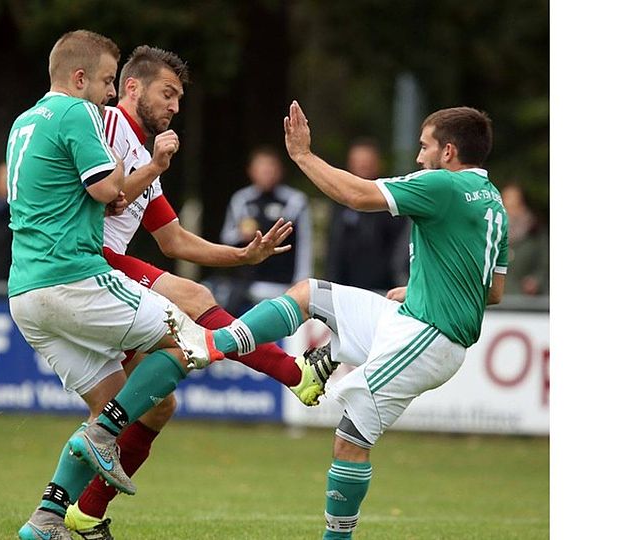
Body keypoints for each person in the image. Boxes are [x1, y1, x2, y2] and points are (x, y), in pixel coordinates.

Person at [180, 102, 507, 539]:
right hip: (413, 318)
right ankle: (223, 344)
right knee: (309, 293)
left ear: (448, 152)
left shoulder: (442, 185)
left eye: (424, 146)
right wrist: (422, 287)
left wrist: (303, 157)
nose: (418, 157)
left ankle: (337, 537)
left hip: (429, 338)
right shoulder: (494, 202)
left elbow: (358, 195)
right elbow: (493, 291)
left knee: (350, 439)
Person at [64, 46, 333, 540]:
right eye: (167, 94)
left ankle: (80, 516)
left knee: (154, 406)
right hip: (82, 264)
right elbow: (93, 201)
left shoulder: (143, 153)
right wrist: (154, 167)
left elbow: (173, 239)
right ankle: (294, 372)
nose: (174, 107)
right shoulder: (103, 126)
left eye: (179, 99)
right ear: (131, 87)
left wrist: (243, 256)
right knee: (189, 296)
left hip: (102, 272)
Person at [7, 31, 222, 540]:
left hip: (25, 292)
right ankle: (100, 437)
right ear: (79, 78)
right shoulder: (77, 113)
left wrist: (122, 188)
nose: (109, 92)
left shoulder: (23, 122)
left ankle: (46, 521)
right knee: (187, 340)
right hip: (73, 276)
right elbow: (107, 191)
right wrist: (153, 166)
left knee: (121, 404)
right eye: (106, 80)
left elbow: (99, 197)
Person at [220, 146, 313, 306]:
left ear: (280, 171)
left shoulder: (295, 201)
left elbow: (305, 243)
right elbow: (226, 238)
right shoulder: (242, 199)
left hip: (284, 286)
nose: (267, 173)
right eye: (262, 169)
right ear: (251, 171)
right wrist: (241, 235)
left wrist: (302, 280)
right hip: (247, 286)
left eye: (271, 169)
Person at [325, 139, 408, 291]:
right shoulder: (339, 201)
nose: (363, 166)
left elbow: (400, 248)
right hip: (345, 285)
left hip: (384, 287)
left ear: (378, 163)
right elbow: (334, 246)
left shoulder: (390, 200)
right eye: (358, 161)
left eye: (367, 161)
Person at [500, 182, 549, 296]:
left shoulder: (535, 230)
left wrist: (536, 280)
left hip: (526, 300)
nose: (510, 203)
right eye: (506, 198)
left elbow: (544, 263)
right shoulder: (493, 228)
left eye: (514, 199)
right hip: (497, 299)